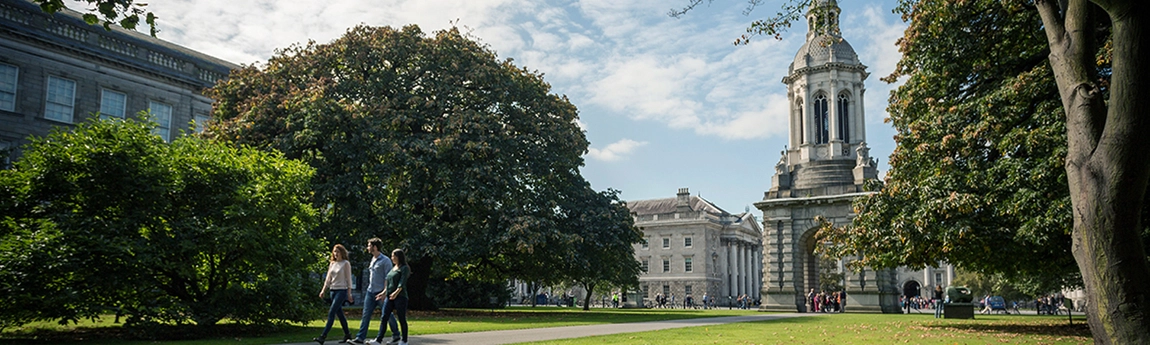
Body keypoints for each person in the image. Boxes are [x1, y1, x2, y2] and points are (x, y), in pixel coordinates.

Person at [352, 238, 400, 345]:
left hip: (381, 292)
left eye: (369, 245)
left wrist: (384, 292)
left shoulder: (385, 260)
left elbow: (388, 278)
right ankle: (360, 338)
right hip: (371, 292)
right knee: (366, 314)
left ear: (375, 247)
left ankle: (396, 335)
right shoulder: (373, 259)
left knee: (387, 315)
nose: (367, 248)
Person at [315, 244, 354, 344]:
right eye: (334, 252)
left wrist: (349, 293)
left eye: (338, 252)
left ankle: (323, 336)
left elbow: (349, 279)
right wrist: (323, 290)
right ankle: (348, 334)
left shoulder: (346, 263)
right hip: (333, 290)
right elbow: (328, 279)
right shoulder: (332, 263)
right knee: (340, 314)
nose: (336, 254)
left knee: (332, 312)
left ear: (342, 252)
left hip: (342, 290)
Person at [378, 249, 411, 345]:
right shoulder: (393, 268)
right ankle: (378, 340)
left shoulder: (404, 268)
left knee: (401, 318)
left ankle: (404, 340)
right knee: (384, 317)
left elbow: (402, 282)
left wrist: (396, 292)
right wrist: (384, 292)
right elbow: (389, 283)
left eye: (393, 256)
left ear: (398, 257)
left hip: (400, 297)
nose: (392, 258)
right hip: (389, 296)